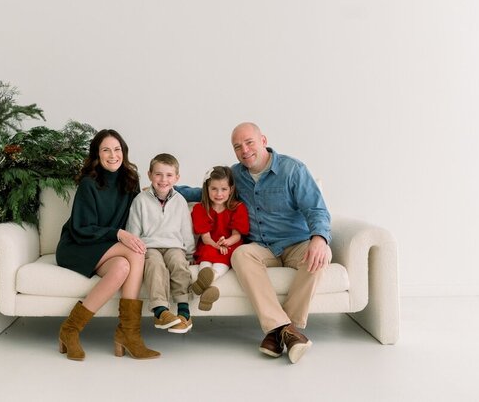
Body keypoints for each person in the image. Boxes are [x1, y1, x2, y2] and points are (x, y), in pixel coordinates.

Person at [178, 122, 330, 364]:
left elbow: (316, 209)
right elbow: (206, 192)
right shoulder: (236, 174)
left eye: (249, 142)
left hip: (295, 241)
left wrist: (320, 239)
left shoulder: (293, 170)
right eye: (237, 147)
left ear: (263, 140)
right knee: (240, 255)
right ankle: (288, 332)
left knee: (320, 256)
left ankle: (279, 330)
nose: (244, 150)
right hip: (260, 246)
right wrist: (165, 188)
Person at [55, 129, 159, 360]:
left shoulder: (131, 180)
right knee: (134, 250)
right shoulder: (88, 184)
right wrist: (119, 234)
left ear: (124, 152)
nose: (113, 155)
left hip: (106, 247)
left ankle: (71, 328)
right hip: (77, 245)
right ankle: (129, 334)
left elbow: (137, 214)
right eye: (106, 150)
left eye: (117, 149)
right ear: (97, 155)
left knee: (123, 267)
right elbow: (81, 228)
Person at [126, 153, 196, 333]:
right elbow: (132, 230)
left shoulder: (180, 200)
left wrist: (190, 253)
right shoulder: (140, 200)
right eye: (158, 174)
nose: (163, 180)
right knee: (156, 266)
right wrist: (135, 252)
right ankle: (161, 311)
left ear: (177, 178)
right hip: (149, 247)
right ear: (149, 175)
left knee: (179, 263)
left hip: (175, 246)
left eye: (169, 175)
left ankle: (184, 313)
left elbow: (186, 230)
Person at [189, 165, 249, 311]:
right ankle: (208, 283)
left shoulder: (237, 207)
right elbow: (206, 238)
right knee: (207, 253)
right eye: (214, 189)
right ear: (206, 189)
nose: (219, 193)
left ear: (231, 190)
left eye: (223, 189)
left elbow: (236, 235)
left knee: (225, 254)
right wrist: (217, 246)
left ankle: (206, 282)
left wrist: (226, 243)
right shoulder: (200, 209)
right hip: (210, 244)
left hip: (230, 245)